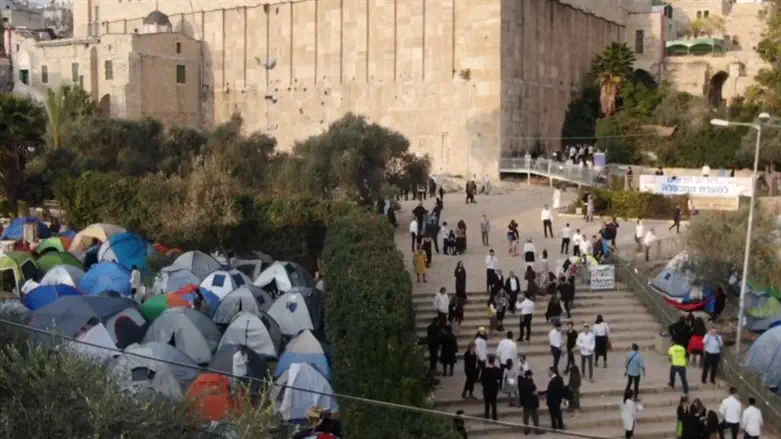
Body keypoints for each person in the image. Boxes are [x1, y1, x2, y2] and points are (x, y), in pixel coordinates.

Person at [518, 369, 542, 435]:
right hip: (532, 403)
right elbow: (534, 393)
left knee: (525, 418)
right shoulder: (531, 384)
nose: (532, 376)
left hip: (525, 403)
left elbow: (520, 393)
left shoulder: (522, 382)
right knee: (535, 418)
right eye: (531, 375)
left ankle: (526, 430)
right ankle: (537, 430)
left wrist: (521, 402)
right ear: (529, 375)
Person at [481, 355, 502, 420]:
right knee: (494, 403)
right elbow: (499, 376)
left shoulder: (484, 369)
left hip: (486, 389)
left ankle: (486, 416)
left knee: (487, 403)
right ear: (493, 361)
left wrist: (484, 385)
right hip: (493, 389)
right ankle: (494, 417)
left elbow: (481, 379)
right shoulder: (496, 369)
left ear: (488, 361)